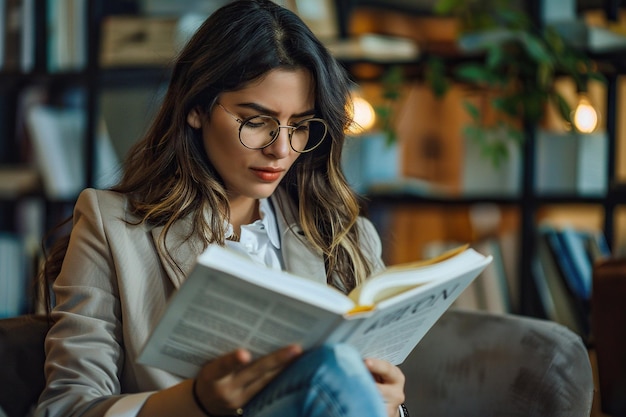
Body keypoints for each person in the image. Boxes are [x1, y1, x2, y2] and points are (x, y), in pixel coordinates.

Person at [34, 1, 408, 416]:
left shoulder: (345, 234)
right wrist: (193, 402)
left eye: (301, 126)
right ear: (197, 108)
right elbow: (67, 407)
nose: (281, 150)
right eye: (255, 121)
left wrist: (390, 405)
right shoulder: (113, 227)